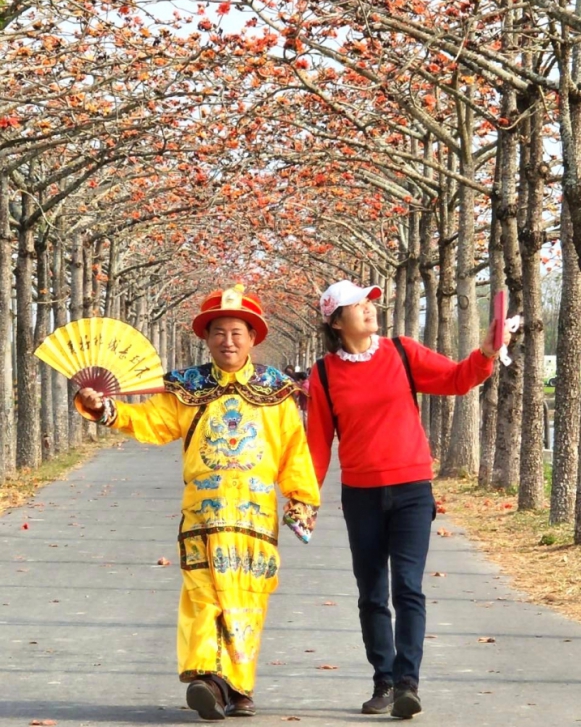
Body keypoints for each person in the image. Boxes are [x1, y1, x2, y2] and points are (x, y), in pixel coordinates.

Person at [75, 284, 320, 721]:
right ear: (206, 339)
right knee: (203, 594)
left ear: (252, 338)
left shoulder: (276, 391)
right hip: (202, 515)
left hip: (254, 518)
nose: (228, 341)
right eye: (219, 332)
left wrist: (300, 498)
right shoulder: (187, 389)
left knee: (247, 599)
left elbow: (293, 451)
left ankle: (238, 686)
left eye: (237, 332)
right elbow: (149, 421)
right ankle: (209, 677)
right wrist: (103, 408)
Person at [306, 279, 508, 720]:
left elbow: (456, 379)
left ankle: (407, 684)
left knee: (408, 587)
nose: (369, 310)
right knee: (372, 593)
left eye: (369, 303)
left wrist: (488, 353)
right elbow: (318, 442)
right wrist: (305, 497)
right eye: (357, 306)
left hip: (413, 489)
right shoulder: (323, 374)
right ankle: (383, 680)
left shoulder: (402, 352)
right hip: (360, 494)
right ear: (336, 322)